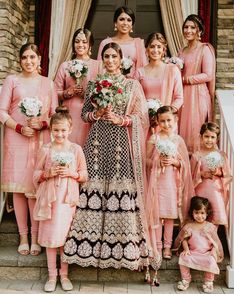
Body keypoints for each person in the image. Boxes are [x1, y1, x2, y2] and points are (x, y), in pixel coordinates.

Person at [63, 42, 161, 280]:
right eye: (106, 56)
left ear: (121, 59)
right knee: (93, 188)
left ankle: (121, 249)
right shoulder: (95, 84)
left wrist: (122, 120)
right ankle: (90, 247)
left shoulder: (131, 85)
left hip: (120, 144)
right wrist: (96, 114)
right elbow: (84, 114)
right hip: (97, 142)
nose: (109, 60)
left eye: (113, 56)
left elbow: (141, 117)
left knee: (121, 190)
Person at [0, 43, 57, 256]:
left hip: (40, 139)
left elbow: (54, 114)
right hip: (16, 138)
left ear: (40, 60)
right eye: (25, 57)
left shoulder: (47, 84)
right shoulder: (12, 81)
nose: (29, 61)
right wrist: (19, 127)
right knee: (18, 189)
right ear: (20, 60)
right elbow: (2, 111)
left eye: (33, 57)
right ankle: (23, 236)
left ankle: (36, 236)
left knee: (34, 189)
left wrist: (41, 124)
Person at [33, 106, 88, 292]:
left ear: (70, 130)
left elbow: (84, 175)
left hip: (67, 200)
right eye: (56, 130)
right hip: (50, 200)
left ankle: (64, 274)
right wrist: (48, 173)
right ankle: (51, 275)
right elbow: (36, 174)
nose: (59, 134)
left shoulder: (75, 149)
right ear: (51, 130)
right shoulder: (46, 149)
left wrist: (72, 173)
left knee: (64, 237)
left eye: (63, 130)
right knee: (51, 237)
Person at [146, 106, 194, 260]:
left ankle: (167, 246)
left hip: (172, 183)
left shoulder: (178, 140)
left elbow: (185, 163)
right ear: (157, 122)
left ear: (175, 120)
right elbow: (145, 160)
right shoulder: (154, 139)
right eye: (162, 121)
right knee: (158, 214)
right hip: (157, 182)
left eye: (169, 120)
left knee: (169, 215)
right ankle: (157, 246)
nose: (166, 124)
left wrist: (175, 162)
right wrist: (157, 162)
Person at [54, 28, 101, 146]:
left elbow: (103, 92)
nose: (80, 44)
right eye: (77, 41)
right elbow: (55, 92)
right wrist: (67, 92)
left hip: (90, 114)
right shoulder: (65, 66)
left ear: (90, 45)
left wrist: (86, 93)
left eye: (84, 42)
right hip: (69, 113)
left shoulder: (98, 65)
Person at [178, 14, 216, 154]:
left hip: (198, 95)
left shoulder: (204, 49)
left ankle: (197, 169)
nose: (188, 30)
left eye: (192, 27)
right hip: (183, 95)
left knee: (195, 129)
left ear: (199, 31)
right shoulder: (182, 50)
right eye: (186, 27)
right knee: (182, 129)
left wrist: (187, 79)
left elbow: (208, 75)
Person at [174, 196, 224, 293]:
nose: (199, 216)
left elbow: (215, 242)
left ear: (207, 213)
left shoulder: (210, 227)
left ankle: (208, 282)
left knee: (211, 260)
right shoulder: (189, 226)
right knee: (183, 257)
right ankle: (186, 280)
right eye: (196, 213)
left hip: (206, 254)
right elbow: (184, 240)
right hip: (193, 253)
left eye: (202, 213)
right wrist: (186, 250)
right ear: (192, 213)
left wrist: (213, 253)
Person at [190, 122, 232, 227]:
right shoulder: (197, 155)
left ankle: (213, 240)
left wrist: (216, 172)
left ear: (217, 138)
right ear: (201, 137)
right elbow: (190, 176)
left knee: (215, 215)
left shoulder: (221, 155)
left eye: (212, 137)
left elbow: (227, 174)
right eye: (206, 136)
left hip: (215, 190)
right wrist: (201, 174)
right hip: (201, 189)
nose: (209, 140)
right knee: (202, 214)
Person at [134, 32, 183, 111]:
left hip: (166, 120)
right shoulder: (139, 72)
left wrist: (168, 113)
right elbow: (134, 99)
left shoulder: (173, 70)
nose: (155, 50)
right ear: (147, 49)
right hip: (144, 118)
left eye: (159, 47)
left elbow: (179, 98)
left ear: (163, 50)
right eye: (152, 47)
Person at [97, 6, 147, 77]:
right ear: (115, 22)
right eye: (122, 19)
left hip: (133, 84)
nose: (125, 23)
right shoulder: (106, 43)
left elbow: (144, 69)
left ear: (132, 24)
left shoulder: (138, 43)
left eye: (129, 20)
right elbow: (100, 69)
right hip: (110, 84)